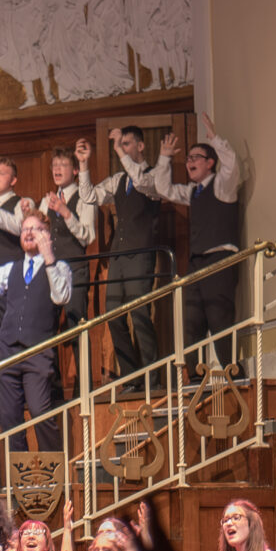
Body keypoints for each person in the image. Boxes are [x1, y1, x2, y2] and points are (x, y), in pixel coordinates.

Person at [78, 125, 175, 388]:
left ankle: (153, 379)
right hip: (119, 256)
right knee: (113, 315)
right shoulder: (118, 179)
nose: (123, 149)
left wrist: (118, 150)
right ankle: (132, 376)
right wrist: (84, 165)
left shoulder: (155, 175)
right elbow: (89, 196)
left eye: (127, 144)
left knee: (141, 315)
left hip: (141, 255)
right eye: (122, 145)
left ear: (140, 146)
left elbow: (143, 183)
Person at [158, 115, 246, 381]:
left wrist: (214, 139)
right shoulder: (192, 192)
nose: (190, 162)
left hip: (219, 259)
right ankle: (195, 378)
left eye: (196, 157)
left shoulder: (221, 186)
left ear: (210, 162)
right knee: (191, 320)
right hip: (196, 263)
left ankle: (233, 372)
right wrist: (164, 158)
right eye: (188, 158)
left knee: (219, 318)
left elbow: (232, 166)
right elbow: (163, 188)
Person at [0, 208, 71, 453]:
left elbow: (61, 297)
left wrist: (49, 257)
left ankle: (53, 474)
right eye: (25, 228)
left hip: (37, 351)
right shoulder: (12, 269)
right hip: (8, 350)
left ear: (47, 235)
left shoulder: (60, 267)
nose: (29, 232)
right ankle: (20, 482)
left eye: (36, 229)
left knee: (40, 411)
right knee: (9, 419)